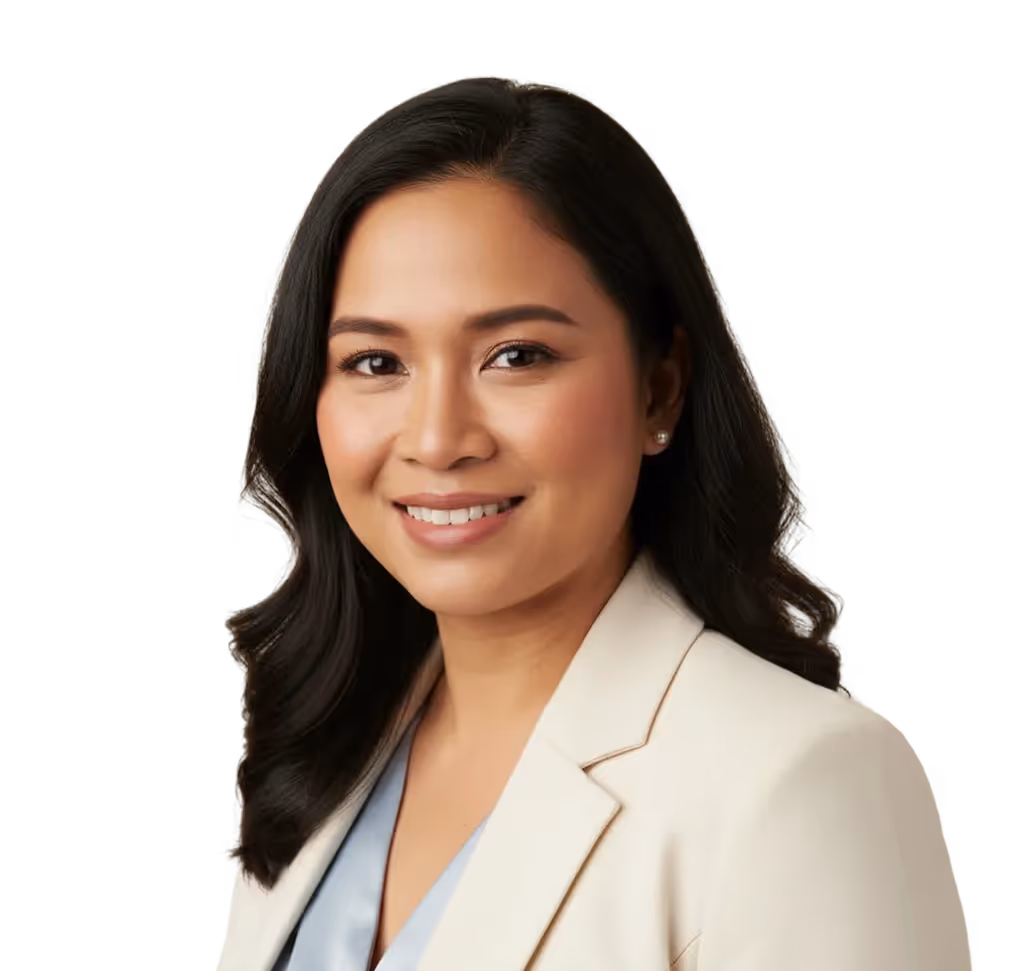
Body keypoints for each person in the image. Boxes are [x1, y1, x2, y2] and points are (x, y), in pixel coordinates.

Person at [216, 77, 971, 970]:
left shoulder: (799, 780)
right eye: (376, 361)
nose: (436, 438)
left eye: (516, 355)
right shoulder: (328, 748)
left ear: (660, 386)